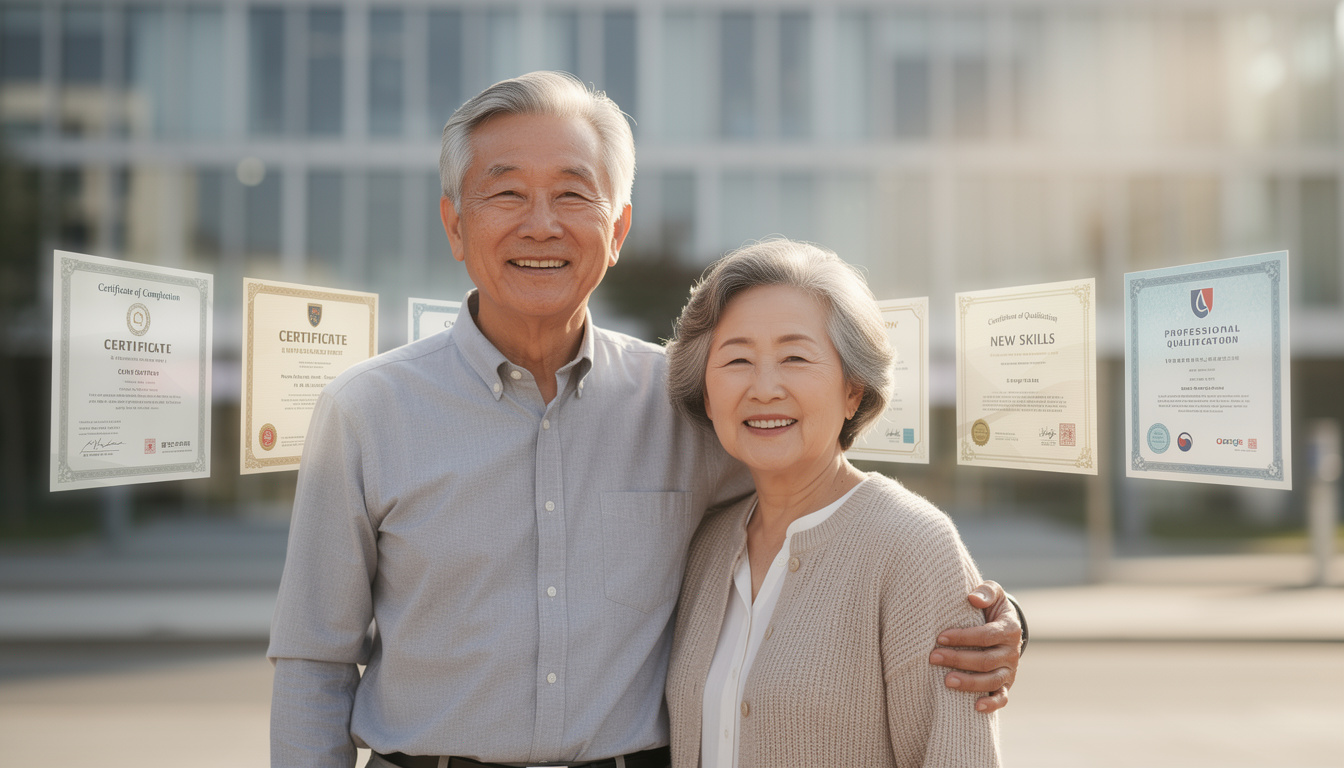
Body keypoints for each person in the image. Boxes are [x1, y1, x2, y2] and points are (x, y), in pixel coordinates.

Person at [269, 71, 1020, 768]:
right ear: (454, 224)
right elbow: (314, 662)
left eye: (572, 195)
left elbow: (829, 485)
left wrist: (988, 617)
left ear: (619, 228)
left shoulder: (686, 402)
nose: (541, 225)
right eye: (505, 195)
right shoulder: (364, 411)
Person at [664, 239, 1001, 767]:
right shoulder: (706, 545)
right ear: (706, 394)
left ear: (853, 390)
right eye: (737, 359)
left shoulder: (913, 547)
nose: (765, 387)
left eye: (795, 357)